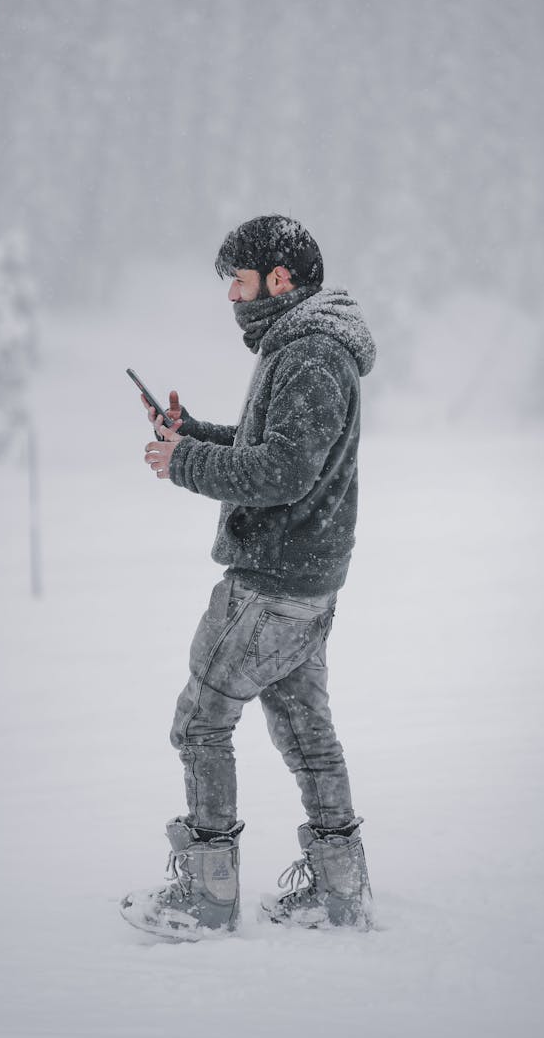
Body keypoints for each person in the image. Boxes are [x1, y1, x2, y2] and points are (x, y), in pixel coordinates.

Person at [120, 215, 376, 939]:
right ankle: (339, 891)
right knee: (305, 731)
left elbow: (284, 470)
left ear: (281, 280)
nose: (231, 295)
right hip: (305, 578)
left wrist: (183, 464)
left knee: (201, 720)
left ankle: (206, 896)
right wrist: (193, 433)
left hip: (271, 580)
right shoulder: (305, 345)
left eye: (239, 279)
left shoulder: (313, 352)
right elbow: (277, 447)